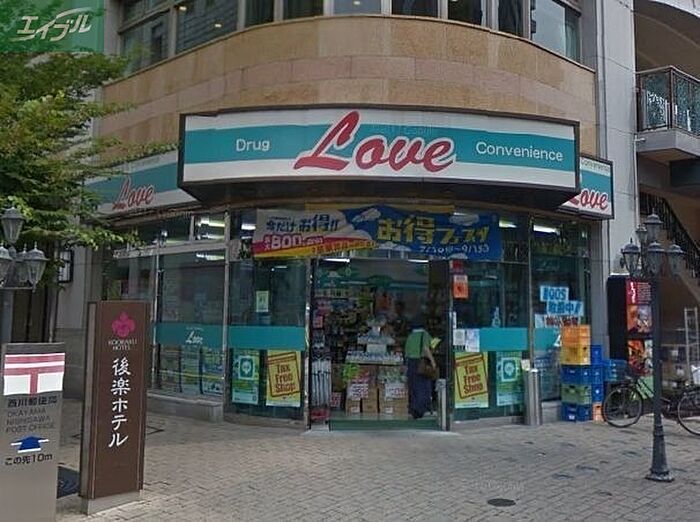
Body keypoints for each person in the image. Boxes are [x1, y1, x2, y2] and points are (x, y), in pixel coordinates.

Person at [404, 327, 437, 419]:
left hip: (411, 363)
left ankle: (414, 408)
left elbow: (406, 352)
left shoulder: (410, 336)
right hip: (421, 363)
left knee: (414, 386)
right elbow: (427, 348)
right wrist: (433, 361)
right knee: (424, 387)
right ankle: (420, 409)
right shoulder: (424, 334)